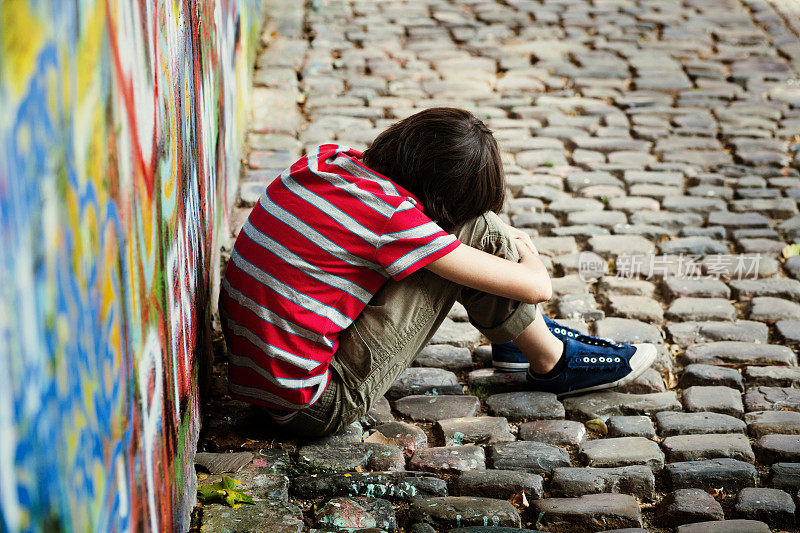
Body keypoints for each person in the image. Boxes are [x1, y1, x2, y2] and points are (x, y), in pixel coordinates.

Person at [218, 107, 656, 436]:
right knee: (476, 228)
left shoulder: (327, 160)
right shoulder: (392, 218)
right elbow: (536, 286)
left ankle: (517, 343)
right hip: (313, 406)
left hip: (259, 379)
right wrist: (526, 251)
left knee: (464, 235)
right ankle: (551, 359)